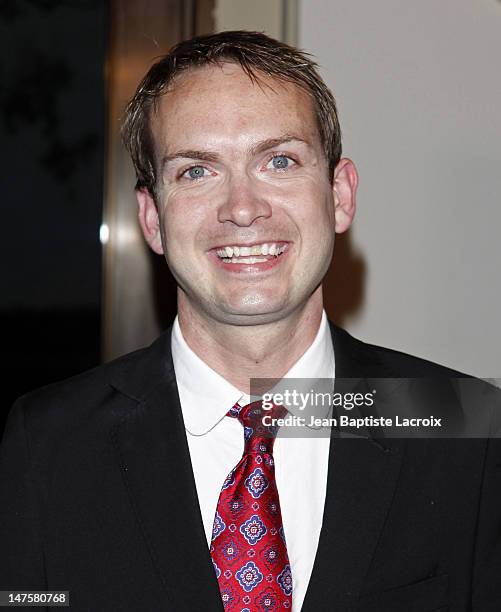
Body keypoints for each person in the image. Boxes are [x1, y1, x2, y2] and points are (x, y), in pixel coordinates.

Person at [1, 30, 500, 612]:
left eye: (279, 160)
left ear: (339, 196)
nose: (242, 207)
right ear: (152, 218)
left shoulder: (467, 431)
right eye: (196, 171)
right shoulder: (49, 445)